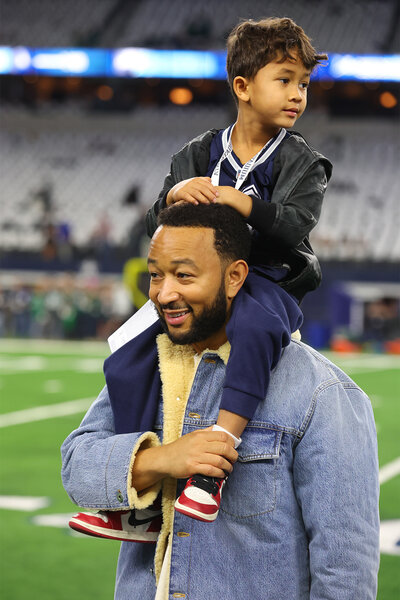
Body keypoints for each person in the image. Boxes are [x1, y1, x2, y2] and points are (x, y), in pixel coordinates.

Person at [69, 16, 332, 538]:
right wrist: (170, 199)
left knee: (256, 328)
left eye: (303, 83)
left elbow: (295, 226)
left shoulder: (302, 160)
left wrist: (242, 202)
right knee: (128, 347)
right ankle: (140, 504)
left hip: (264, 281)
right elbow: (154, 226)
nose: (297, 93)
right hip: (197, 284)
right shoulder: (195, 154)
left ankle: (216, 460)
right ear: (242, 86)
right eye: (284, 79)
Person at [61, 203, 380, 599]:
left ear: (234, 277)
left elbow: (345, 572)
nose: (164, 293)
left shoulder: (323, 393)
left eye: (183, 275)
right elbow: (76, 467)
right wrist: (163, 458)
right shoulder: (147, 366)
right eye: (156, 275)